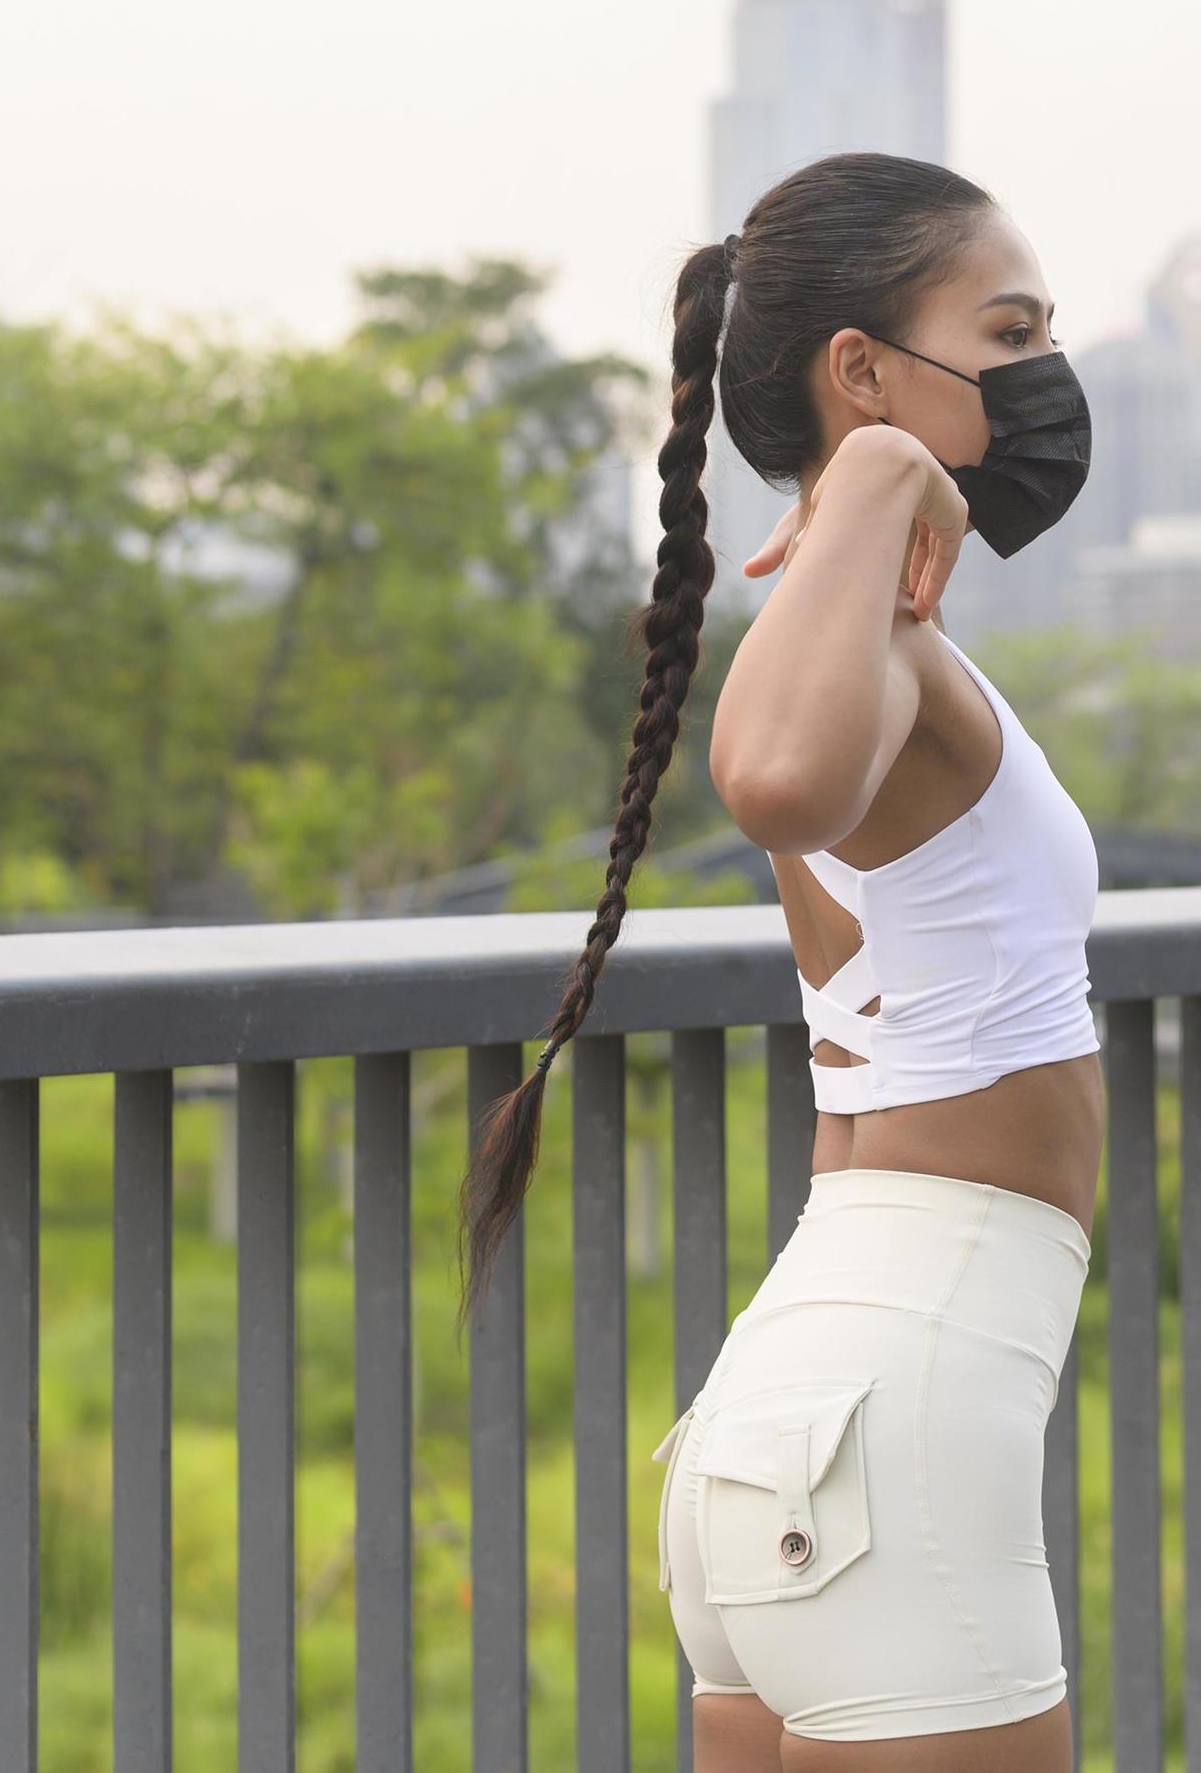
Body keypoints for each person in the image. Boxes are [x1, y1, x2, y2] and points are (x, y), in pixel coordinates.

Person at [458, 150, 1104, 1768]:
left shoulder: (873, 644)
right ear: (864, 371)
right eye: (1008, 334)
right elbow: (771, 777)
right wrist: (882, 476)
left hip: (808, 1410)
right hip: (895, 1420)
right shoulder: (871, 647)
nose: (1044, 379)